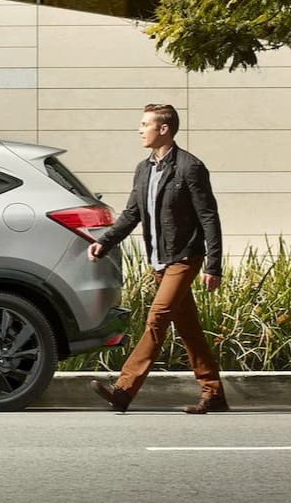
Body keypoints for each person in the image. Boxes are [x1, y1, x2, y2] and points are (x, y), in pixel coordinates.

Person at [88, 104, 226, 414]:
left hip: (184, 256)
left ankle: (123, 390)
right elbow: (132, 214)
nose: (139, 130)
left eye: (144, 124)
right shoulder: (144, 168)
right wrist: (104, 242)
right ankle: (214, 392)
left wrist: (213, 265)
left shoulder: (190, 167)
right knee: (189, 328)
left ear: (163, 129)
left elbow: (209, 218)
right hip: (160, 260)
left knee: (157, 318)